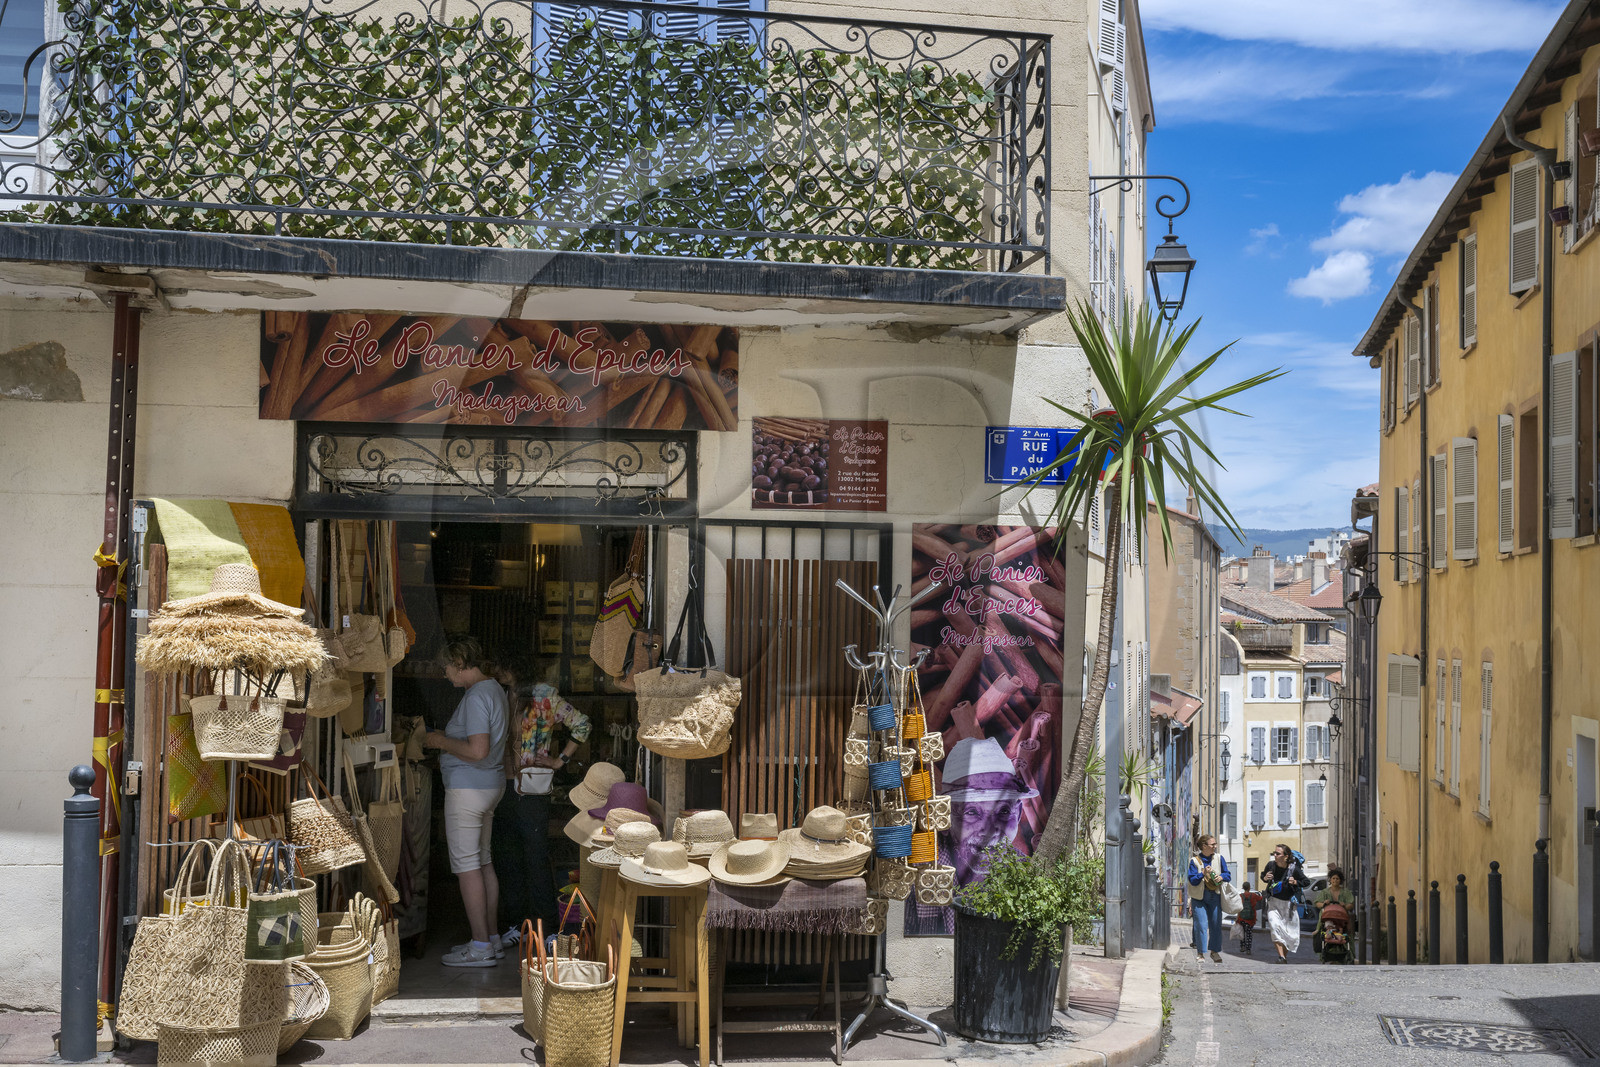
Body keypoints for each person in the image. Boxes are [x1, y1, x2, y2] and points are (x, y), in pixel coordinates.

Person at [422, 635, 509, 967]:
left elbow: (477, 750)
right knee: (483, 861)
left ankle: (481, 945)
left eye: (446, 667)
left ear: (459, 663)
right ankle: (491, 938)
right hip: (489, 785)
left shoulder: (476, 697)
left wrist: (439, 741)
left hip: (469, 789)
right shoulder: (495, 689)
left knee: (467, 866)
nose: (445, 674)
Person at [495, 657, 590, 947]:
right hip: (500, 786)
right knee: (508, 857)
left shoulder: (544, 695)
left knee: (535, 858)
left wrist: (559, 761)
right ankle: (516, 925)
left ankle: (548, 928)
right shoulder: (498, 694)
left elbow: (582, 725)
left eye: (501, 664)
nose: (496, 670)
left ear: (515, 665)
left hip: (533, 787)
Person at [1260, 843, 1310, 963]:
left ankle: (1284, 957)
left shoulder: (1293, 869)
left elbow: (1306, 881)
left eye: (1278, 853)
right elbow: (1263, 876)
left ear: (1286, 856)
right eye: (1274, 853)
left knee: (1289, 933)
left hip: (1289, 905)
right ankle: (1281, 956)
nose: (1275, 855)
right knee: (1275, 927)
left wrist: (1296, 882)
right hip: (1273, 903)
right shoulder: (1271, 865)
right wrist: (1265, 877)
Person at [1186, 835, 1230, 963]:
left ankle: (1214, 952)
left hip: (1215, 895)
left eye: (1215, 844)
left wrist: (1221, 877)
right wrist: (1202, 874)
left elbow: (1227, 874)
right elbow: (1192, 880)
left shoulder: (1219, 858)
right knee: (1201, 925)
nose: (1215, 846)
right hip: (1199, 898)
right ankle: (1200, 953)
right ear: (1204, 846)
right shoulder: (1194, 861)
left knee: (1216, 925)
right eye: (1213, 844)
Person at [1311, 867, 1356, 955]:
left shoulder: (1345, 892)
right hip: (1327, 917)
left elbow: (1351, 904)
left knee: (1348, 933)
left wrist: (1345, 906)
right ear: (1330, 880)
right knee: (1322, 931)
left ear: (1340, 880)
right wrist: (1324, 903)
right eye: (1333, 878)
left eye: (1337, 878)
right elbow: (1317, 903)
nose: (1335, 880)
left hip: (1342, 918)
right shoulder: (1324, 892)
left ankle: (1348, 954)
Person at [1236, 880, 1264, 955]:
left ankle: (1242, 947)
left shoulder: (1240, 896)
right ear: (1249, 887)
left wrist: (1237, 918)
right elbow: (1261, 898)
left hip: (1241, 917)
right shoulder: (1254, 895)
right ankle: (1248, 949)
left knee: (1242, 933)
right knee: (1249, 934)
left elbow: (1238, 906)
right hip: (1251, 918)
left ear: (1243, 888)